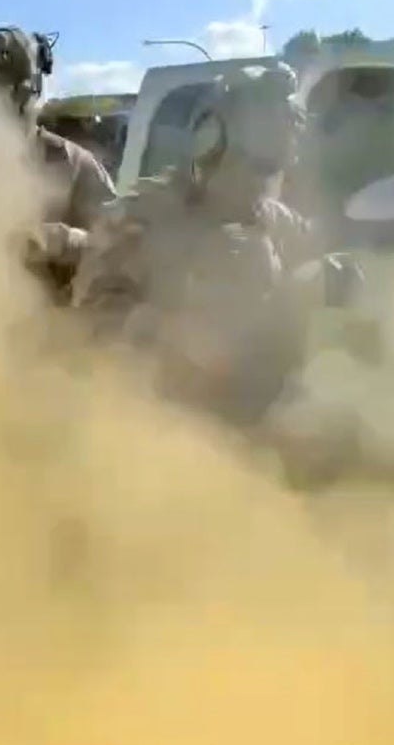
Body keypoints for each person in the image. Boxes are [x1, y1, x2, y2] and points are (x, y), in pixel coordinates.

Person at [70, 63, 362, 478]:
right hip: (161, 449)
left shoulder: (277, 222)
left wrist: (313, 289)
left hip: (255, 447)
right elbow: (91, 338)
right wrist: (186, 326)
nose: (294, 132)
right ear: (221, 136)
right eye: (279, 119)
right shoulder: (143, 217)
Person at [0, 26, 120, 301]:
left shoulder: (72, 163)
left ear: (30, 93)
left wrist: (67, 242)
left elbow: (122, 250)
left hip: (53, 331)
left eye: (9, 94)